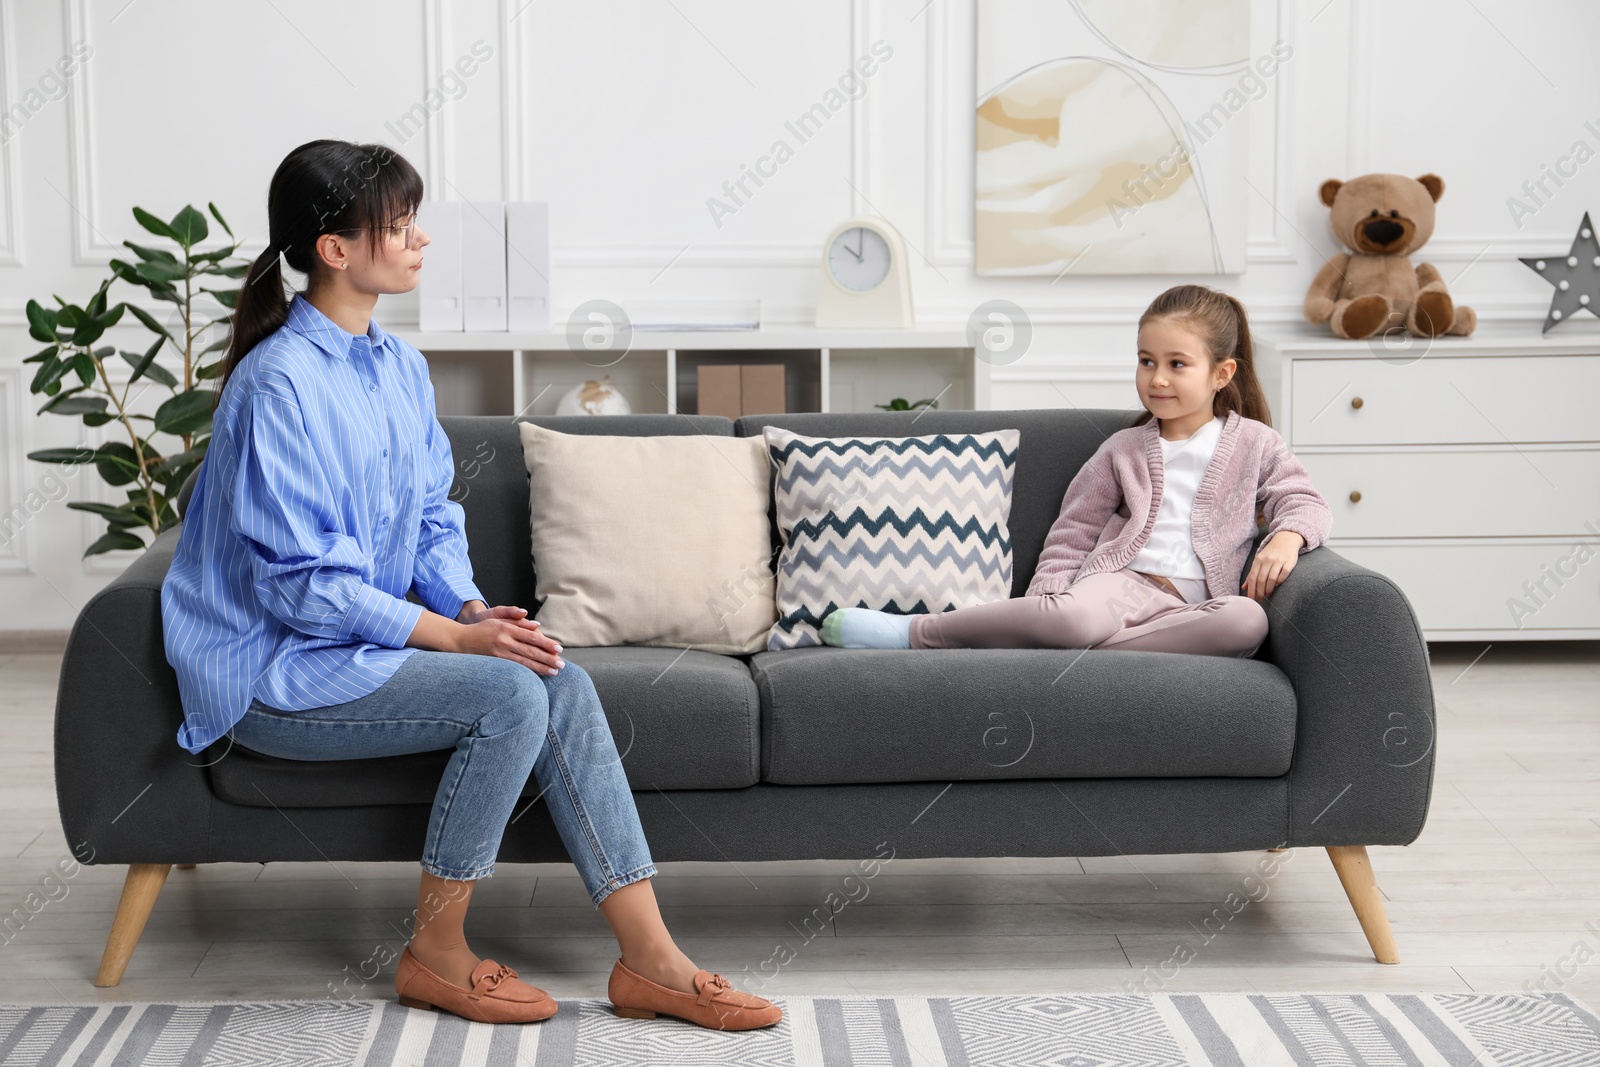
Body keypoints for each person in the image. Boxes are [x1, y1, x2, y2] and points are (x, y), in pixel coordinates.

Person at [159, 139, 780, 1030]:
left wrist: (470, 607)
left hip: (358, 647)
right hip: (273, 669)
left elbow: (429, 517)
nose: (419, 241)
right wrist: (455, 640)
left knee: (554, 675)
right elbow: (299, 588)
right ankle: (436, 954)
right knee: (508, 698)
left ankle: (652, 960)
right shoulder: (277, 386)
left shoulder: (399, 368)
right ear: (334, 248)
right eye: (399, 225)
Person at [820, 284, 1331, 656]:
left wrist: (1287, 538)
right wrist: (1049, 599)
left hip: (1195, 609)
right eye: (1146, 361)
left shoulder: (1256, 443)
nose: (1156, 378)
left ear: (1222, 373)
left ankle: (1082, 650)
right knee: (1070, 616)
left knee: (1247, 622)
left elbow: (1304, 501)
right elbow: (1075, 528)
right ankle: (915, 633)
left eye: (1177, 364)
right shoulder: (1124, 448)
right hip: (1120, 586)